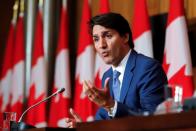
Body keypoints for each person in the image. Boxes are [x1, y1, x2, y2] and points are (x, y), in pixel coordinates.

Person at [65, 12, 168, 128]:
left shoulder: (148, 68)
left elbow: (154, 119)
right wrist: (83, 127)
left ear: (125, 37)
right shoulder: (107, 75)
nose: (101, 45)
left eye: (108, 36)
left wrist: (110, 105)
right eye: (96, 39)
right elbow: (104, 121)